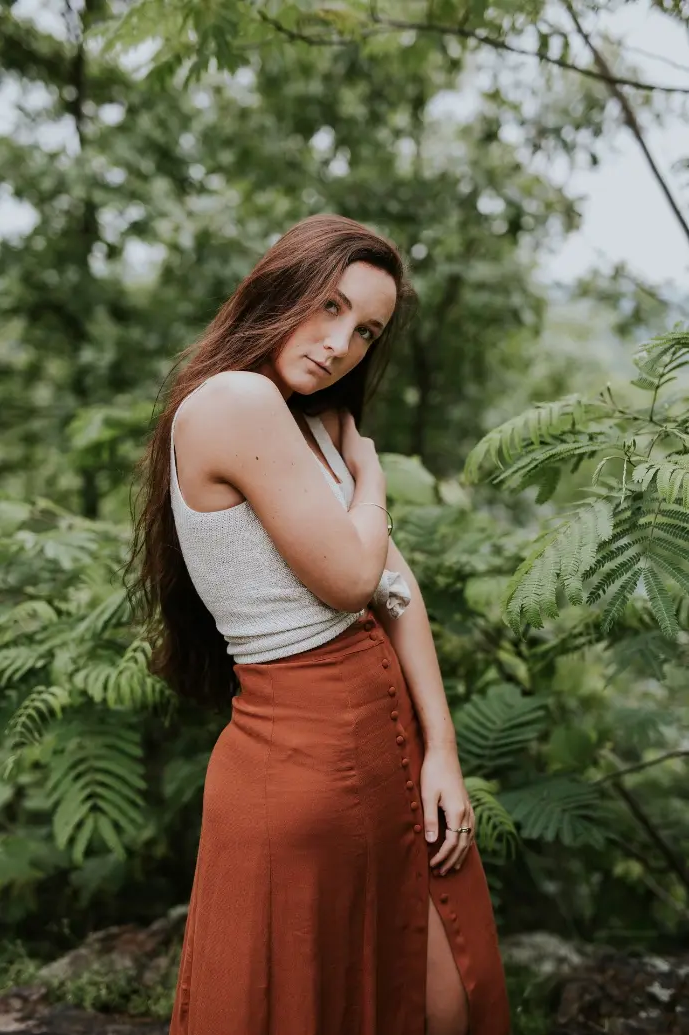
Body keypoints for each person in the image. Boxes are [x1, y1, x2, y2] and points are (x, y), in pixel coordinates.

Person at [129, 213, 510, 1035]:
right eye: (329, 307)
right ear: (283, 288)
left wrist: (443, 751)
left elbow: (397, 589)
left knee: (444, 997)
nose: (342, 343)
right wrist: (371, 478)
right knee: (310, 1001)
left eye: (367, 329)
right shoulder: (236, 400)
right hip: (299, 762)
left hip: (382, 748)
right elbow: (350, 580)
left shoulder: (307, 420)